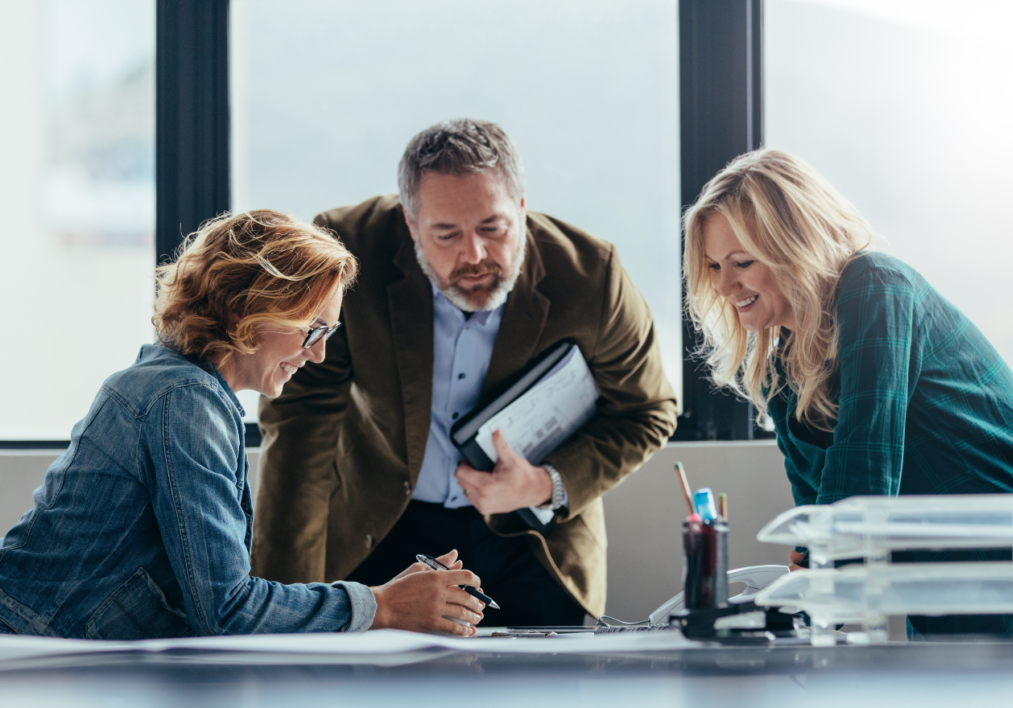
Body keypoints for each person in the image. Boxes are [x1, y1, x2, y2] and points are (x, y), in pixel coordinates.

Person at [253, 119, 678, 625]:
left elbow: (648, 411)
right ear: (411, 224)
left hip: (532, 541)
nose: (474, 255)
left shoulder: (592, 275)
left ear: (521, 209)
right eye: (447, 234)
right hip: (383, 525)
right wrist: (286, 607)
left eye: (493, 228)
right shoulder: (349, 252)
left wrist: (544, 484)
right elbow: (301, 420)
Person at [0, 211, 485, 639]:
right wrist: (382, 605)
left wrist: (385, 601)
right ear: (246, 309)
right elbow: (227, 610)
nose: (318, 353)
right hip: (27, 653)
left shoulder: (178, 387)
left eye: (329, 333)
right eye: (312, 328)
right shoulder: (185, 401)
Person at [682, 148, 1013, 638]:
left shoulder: (876, 286)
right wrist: (795, 589)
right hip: (937, 573)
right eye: (714, 266)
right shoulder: (779, 365)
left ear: (792, 246)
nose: (724, 285)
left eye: (741, 261)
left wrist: (809, 595)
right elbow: (818, 511)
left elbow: (866, 459)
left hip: (1005, 555)